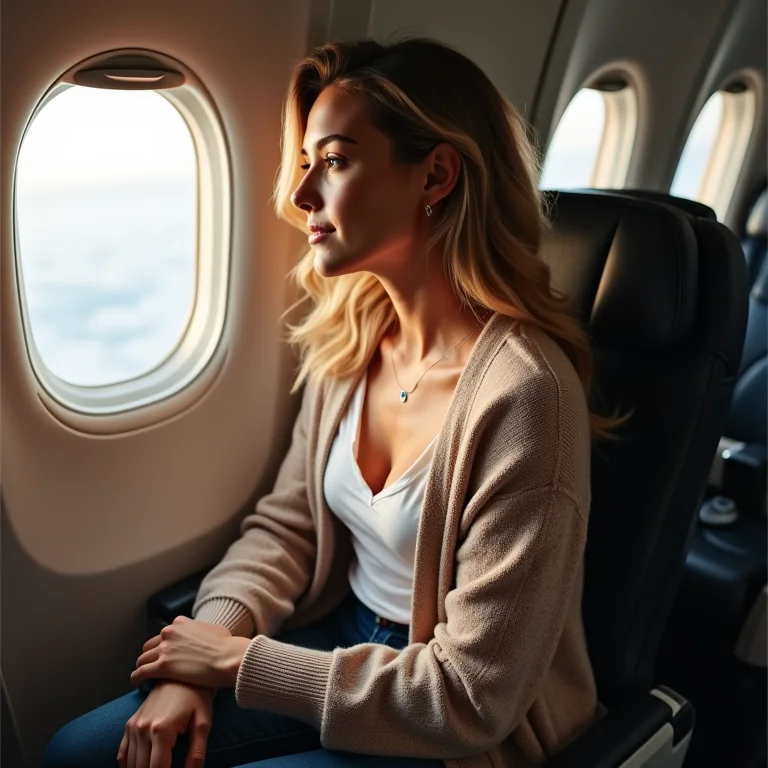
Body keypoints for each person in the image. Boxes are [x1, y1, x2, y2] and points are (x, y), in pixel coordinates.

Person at [44, 37, 623, 768]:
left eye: (336, 161)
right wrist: (200, 655)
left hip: (454, 727)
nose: (300, 194)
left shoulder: (529, 399)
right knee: (77, 754)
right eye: (306, 162)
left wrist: (233, 664)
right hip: (342, 642)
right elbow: (288, 528)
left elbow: (472, 699)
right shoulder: (353, 339)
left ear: (435, 175)